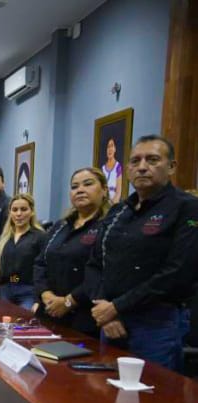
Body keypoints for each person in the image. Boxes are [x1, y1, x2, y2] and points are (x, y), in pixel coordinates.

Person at [85, 135, 198, 373]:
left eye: (152, 160)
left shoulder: (187, 207)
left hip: (157, 322)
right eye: (135, 161)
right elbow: (94, 263)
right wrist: (106, 310)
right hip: (110, 321)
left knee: (153, 391)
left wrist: (117, 307)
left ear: (171, 166)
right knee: (107, 389)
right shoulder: (118, 211)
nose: (143, 167)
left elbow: (178, 272)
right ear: (127, 169)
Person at [34, 167, 110, 337]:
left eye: (88, 184)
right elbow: (40, 263)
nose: (80, 190)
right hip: (48, 310)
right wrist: (45, 294)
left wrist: (69, 301)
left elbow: (102, 272)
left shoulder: (109, 226)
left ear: (104, 190)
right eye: (74, 187)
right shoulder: (60, 226)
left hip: (84, 316)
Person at [0, 193, 46, 309]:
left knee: (22, 320)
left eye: (23, 209)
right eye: (14, 210)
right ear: (10, 213)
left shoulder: (40, 237)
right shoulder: (4, 237)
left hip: (28, 291)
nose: (19, 214)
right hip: (4, 289)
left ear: (32, 212)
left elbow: (43, 271)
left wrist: (38, 299)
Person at [102, 138, 123, 203]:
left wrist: (113, 204)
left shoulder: (118, 166)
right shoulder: (103, 168)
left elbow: (118, 191)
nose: (110, 149)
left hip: (114, 201)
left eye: (112, 146)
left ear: (115, 149)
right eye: (108, 147)